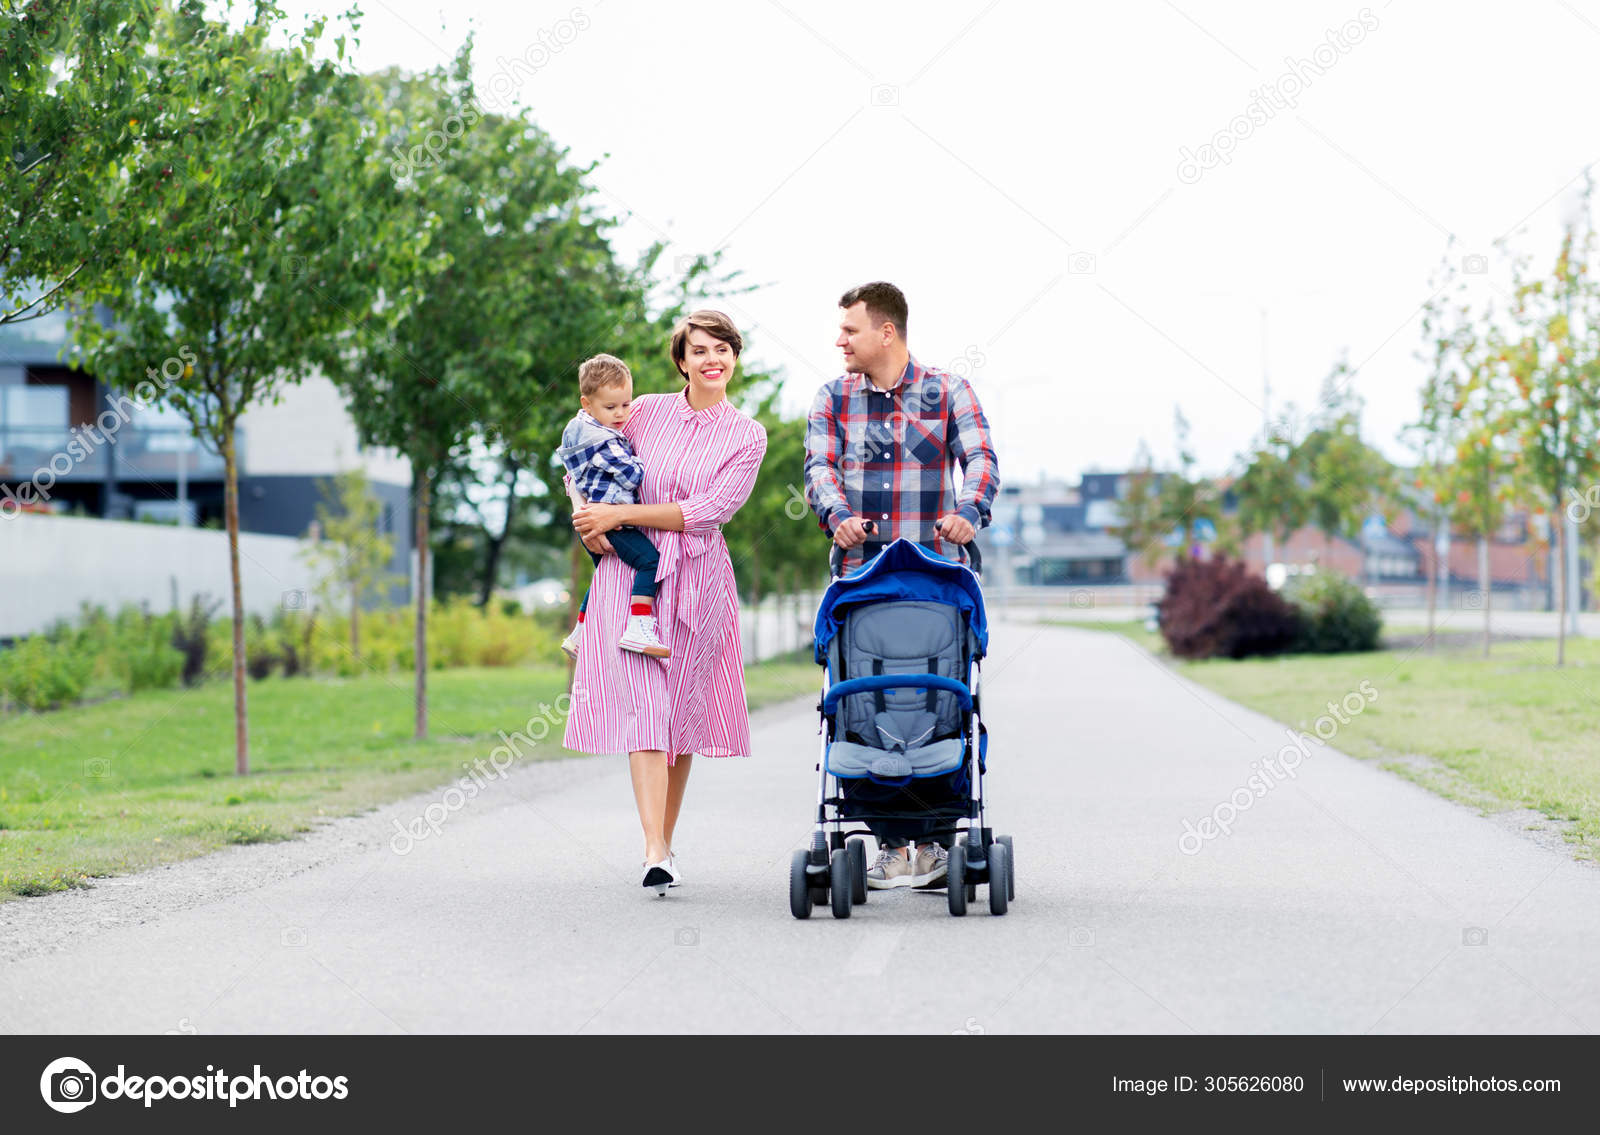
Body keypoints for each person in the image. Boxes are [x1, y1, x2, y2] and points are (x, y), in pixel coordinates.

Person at [803, 280, 1000, 890]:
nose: (840, 340)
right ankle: (890, 842)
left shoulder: (948, 391)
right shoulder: (833, 397)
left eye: (850, 329)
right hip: (863, 582)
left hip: (935, 578)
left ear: (885, 331)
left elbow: (983, 458)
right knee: (866, 707)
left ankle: (937, 839)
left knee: (938, 704)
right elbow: (819, 469)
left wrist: (969, 511)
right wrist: (838, 518)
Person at [564, 310, 768, 895]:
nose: (712, 359)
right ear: (681, 360)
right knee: (645, 714)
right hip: (633, 581)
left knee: (678, 721)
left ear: (733, 357)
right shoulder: (643, 409)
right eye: (699, 349)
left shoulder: (746, 436)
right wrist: (585, 519)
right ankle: (654, 847)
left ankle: (663, 846)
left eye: (722, 348)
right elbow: (583, 454)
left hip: (700, 584)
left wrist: (621, 513)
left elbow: (708, 512)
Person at [557, 354, 670, 661]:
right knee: (651, 562)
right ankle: (639, 625)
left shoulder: (576, 429)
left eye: (625, 404)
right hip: (611, 521)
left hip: (592, 519)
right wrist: (644, 458)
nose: (621, 414)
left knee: (602, 577)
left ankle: (579, 633)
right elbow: (634, 474)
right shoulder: (603, 441)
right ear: (587, 403)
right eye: (611, 407)